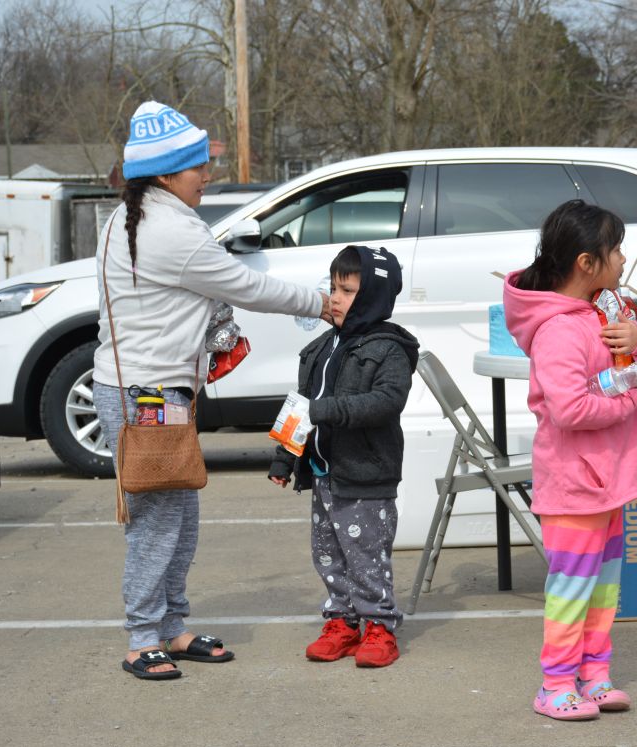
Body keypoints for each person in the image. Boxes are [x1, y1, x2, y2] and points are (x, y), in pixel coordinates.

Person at [94, 101, 330, 680]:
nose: (207, 175)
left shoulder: (135, 216)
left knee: (180, 517)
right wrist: (321, 303)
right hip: (145, 397)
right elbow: (245, 286)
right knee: (158, 523)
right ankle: (142, 638)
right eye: (198, 166)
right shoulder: (170, 230)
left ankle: (171, 627)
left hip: (154, 392)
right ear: (166, 175)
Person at [502, 199, 637, 721]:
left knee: (603, 589)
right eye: (616, 249)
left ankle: (595, 676)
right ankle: (555, 684)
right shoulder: (558, 331)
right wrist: (631, 399)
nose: (623, 258)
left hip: (609, 483)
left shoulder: (606, 311)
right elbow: (570, 410)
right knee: (572, 589)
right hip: (574, 486)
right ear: (586, 262)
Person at [268, 244, 418, 669]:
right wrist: (284, 458)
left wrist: (325, 410)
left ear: (372, 296)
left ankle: (379, 626)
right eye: (333, 288)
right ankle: (342, 621)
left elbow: (385, 402)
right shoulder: (321, 347)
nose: (334, 298)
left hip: (365, 475)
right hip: (324, 474)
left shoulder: (388, 349)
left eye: (347, 291)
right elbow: (301, 406)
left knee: (366, 555)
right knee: (328, 553)